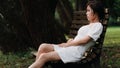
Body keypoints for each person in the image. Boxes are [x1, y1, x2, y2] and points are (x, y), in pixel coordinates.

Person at [28, 1, 105, 68]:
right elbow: (80, 39)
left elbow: (85, 40)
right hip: (70, 48)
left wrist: (68, 44)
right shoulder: (88, 26)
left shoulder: (98, 26)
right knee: (43, 46)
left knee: (43, 56)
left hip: (75, 52)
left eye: (88, 11)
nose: (86, 13)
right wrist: (71, 41)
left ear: (95, 12)